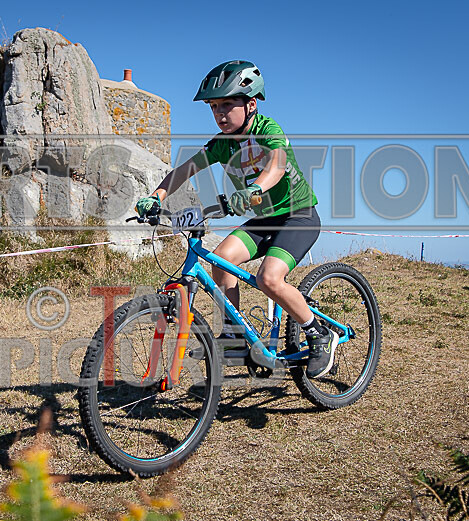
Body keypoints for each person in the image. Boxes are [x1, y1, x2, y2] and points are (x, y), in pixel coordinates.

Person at [135, 60, 338, 379]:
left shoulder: (268, 130)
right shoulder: (221, 144)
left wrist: (256, 187)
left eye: (228, 104)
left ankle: (319, 333)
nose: (220, 113)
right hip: (264, 220)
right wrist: (156, 196)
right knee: (220, 258)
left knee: (269, 279)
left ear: (251, 103)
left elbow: (277, 166)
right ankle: (233, 337)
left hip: (298, 215)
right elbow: (184, 171)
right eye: (214, 106)